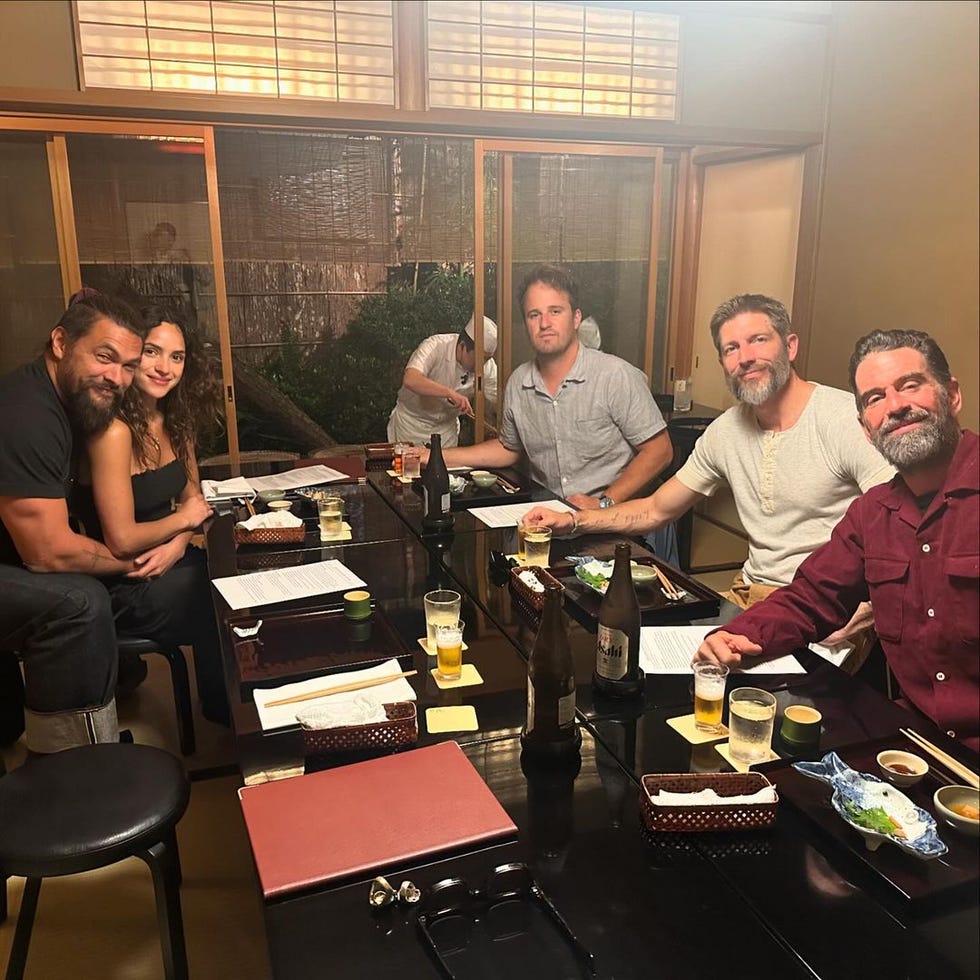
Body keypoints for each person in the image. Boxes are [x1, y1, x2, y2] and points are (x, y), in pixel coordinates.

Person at [524, 294, 894, 657]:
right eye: (731, 349)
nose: (745, 357)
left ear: (791, 346)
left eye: (758, 340)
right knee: (639, 663)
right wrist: (573, 521)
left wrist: (871, 605)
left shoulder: (844, 419)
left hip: (829, 612)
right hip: (751, 596)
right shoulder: (727, 430)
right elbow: (656, 509)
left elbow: (903, 519)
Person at [696, 329, 979, 751]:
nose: (896, 406)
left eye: (910, 386)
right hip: (915, 743)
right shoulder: (872, 514)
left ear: (952, 394)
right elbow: (811, 598)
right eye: (875, 399)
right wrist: (738, 635)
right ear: (866, 428)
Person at [0, 292, 147, 753]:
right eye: (105, 357)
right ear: (61, 342)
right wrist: (128, 561)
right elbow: (49, 552)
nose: (117, 377)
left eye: (127, 366)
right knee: (77, 602)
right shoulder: (27, 412)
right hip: (23, 558)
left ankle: (118, 679)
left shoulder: (64, 404)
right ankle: (77, 772)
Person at [72, 306, 226, 725]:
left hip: (170, 561)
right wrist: (182, 523)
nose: (165, 368)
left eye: (176, 357)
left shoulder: (177, 420)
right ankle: (228, 710)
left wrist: (176, 547)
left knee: (238, 578)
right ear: (133, 356)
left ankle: (235, 705)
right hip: (126, 578)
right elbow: (122, 539)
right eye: (153, 353)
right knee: (223, 595)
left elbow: (197, 506)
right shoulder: (113, 431)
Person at [433, 265, 673, 513]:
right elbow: (508, 448)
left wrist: (605, 502)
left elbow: (660, 451)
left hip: (612, 529)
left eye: (555, 311)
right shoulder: (518, 383)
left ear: (576, 318)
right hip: (548, 524)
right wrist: (435, 457)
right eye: (534, 315)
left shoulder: (615, 377)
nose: (544, 323)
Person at [387, 316, 499, 448]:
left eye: (486, 359)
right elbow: (411, 379)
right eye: (478, 358)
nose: (482, 365)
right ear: (462, 346)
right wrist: (449, 393)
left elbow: (497, 398)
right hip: (410, 426)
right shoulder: (436, 345)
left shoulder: (488, 366)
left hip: (446, 432)